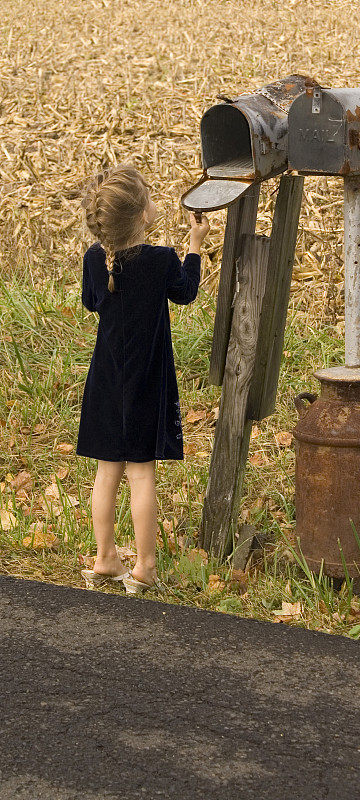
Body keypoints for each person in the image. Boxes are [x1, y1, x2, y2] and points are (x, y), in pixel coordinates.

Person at [76, 163, 210, 593]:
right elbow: (187, 291)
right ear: (141, 216)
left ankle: (104, 558)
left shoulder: (96, 258)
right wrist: (195, 244)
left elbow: (92, 301)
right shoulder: (159, 260)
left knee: (106, 472)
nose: (155, 201)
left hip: (105, 380)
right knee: (141, 474)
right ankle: (145, 568)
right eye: (150, 197)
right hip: (145, 382)